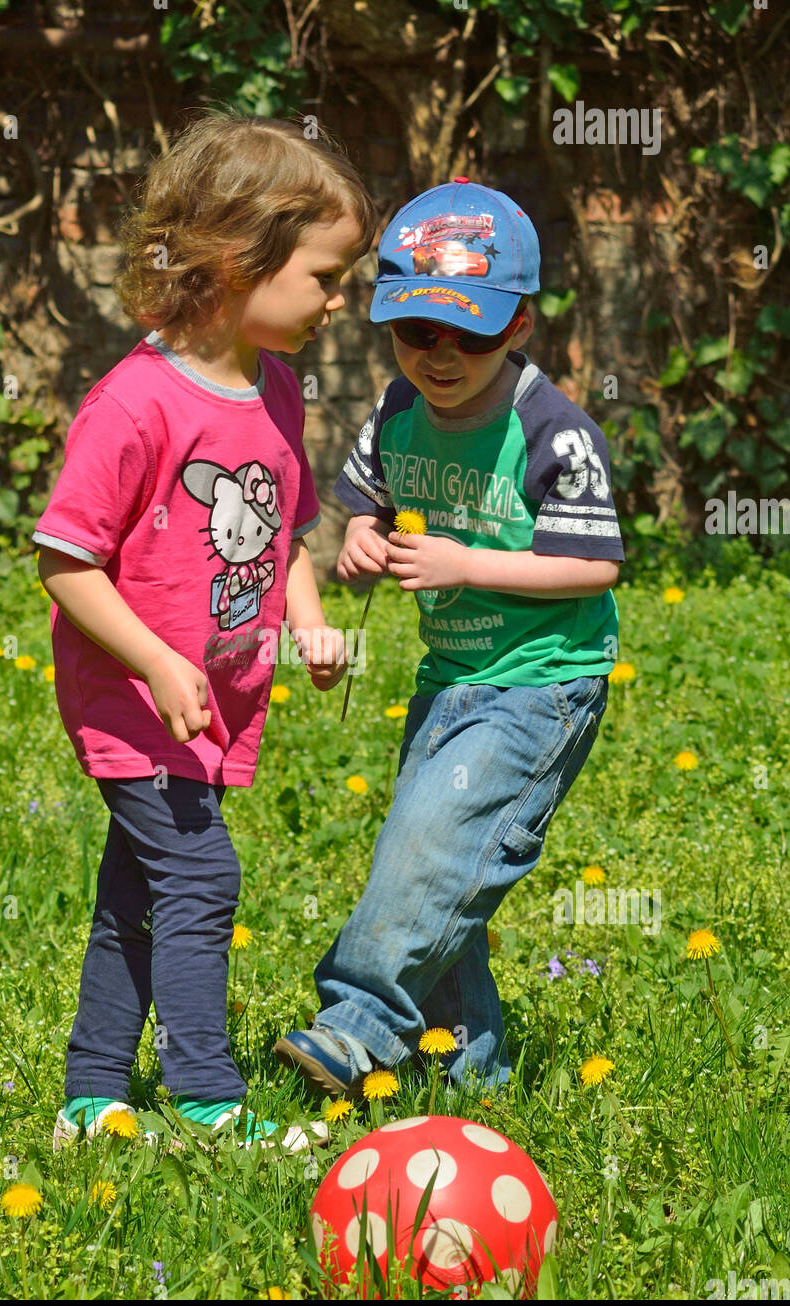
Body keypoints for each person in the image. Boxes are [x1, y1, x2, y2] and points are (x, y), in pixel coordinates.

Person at [33, 112, 375, 1151]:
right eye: (324, 275)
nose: (338, 300)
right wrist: (157, 656)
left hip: (211, 705)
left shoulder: (272, 387)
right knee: (201, 878)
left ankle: (93, 1095)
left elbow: (288, 533)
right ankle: (206, 1099)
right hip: (138, 706)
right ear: (237, 259)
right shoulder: (133, 405)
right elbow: (65, 560)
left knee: (136, 894)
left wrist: (308, 625)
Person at [274, 178, 624, 1097]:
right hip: (448, 676)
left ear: (517, 328)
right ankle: (468, 1075)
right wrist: (359, 539)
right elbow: (371, 511)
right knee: (436, 865)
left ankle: (356, 1027)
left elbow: (594, 567)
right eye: (417, 331)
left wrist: (466, 564)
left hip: (541, 684)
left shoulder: (552, 430)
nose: (441, 355)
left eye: (469, 334)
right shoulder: (396, 410)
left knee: (432, 849)